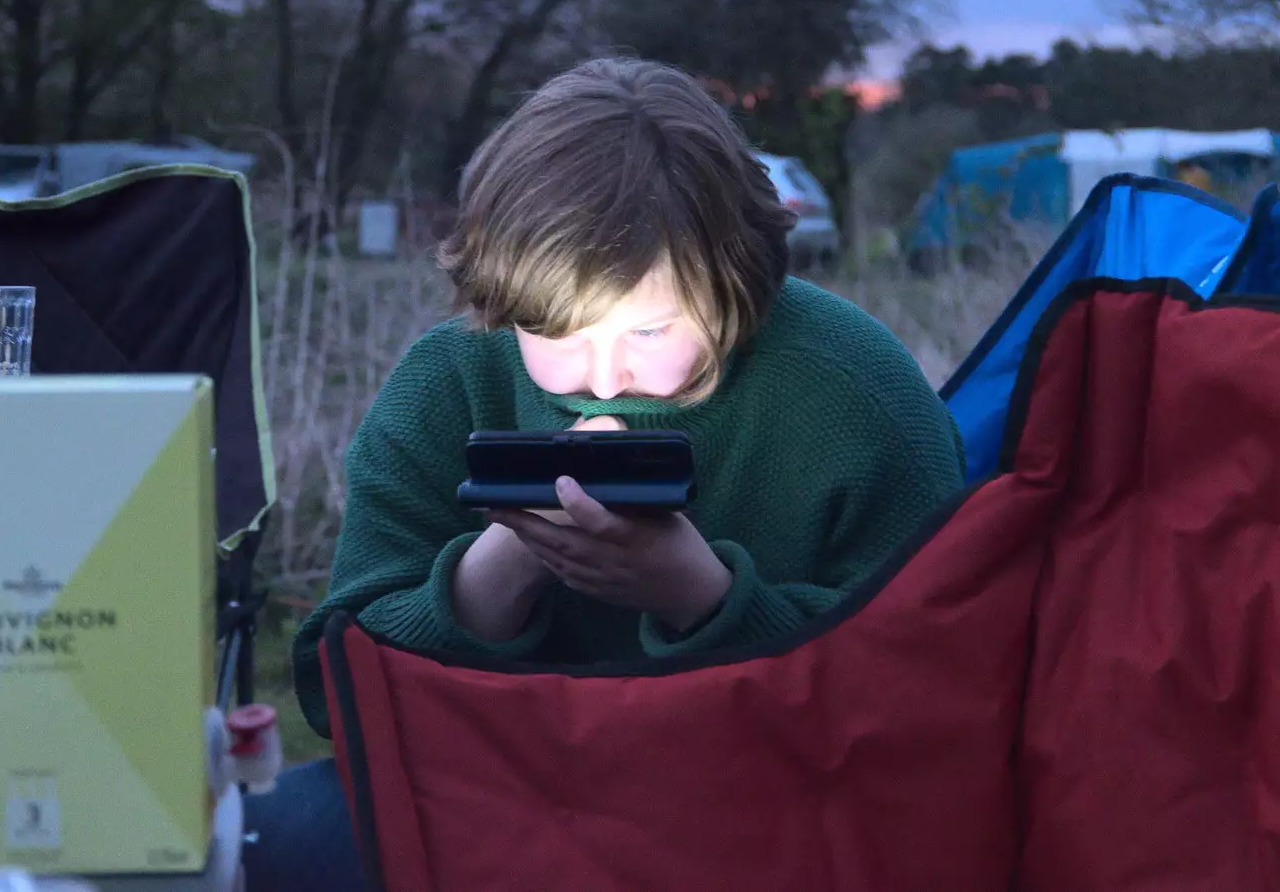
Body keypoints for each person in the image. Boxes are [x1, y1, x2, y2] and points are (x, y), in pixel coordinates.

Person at [241, 56, 965, 891]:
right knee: (252, 846)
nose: (605, 376)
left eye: (651, 333)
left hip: (770, 816)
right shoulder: (450, 378)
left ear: (738, 288)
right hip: (496, 793)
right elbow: (335, 696)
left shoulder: (857, 393)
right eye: (556, 332)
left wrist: (700, 596)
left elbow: (931, 701)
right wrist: (497, 573)